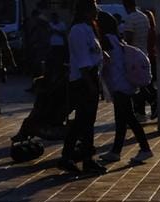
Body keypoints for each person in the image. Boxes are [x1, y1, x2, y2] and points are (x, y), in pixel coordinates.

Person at [99, 15, 153, 161]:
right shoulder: (116, 39)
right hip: (123, 84)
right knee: (121, 120)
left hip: (119, 84)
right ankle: (116, 151)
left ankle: (145, 149)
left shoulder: (106, 40)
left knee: (129, 118)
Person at [62, 0, 106, 173]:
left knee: (85, 121)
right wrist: (90, 85)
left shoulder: (89, 29)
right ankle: (79, 158)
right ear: (86, 11)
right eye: (94, 8)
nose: (97, 11)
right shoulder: (78, 30)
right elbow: (83, 62)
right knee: (83, 121)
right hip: (83, 80)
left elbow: (94, 53)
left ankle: (76, 157)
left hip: (92, 78)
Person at [117, 0, 154, 117]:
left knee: (136, 84)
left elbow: (129, 40)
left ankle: (148, 104)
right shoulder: (143, 17)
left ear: (125, 5)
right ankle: (144, 108)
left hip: (133, 57)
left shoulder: (130, 19)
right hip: (144, 54)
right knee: (144, 82)